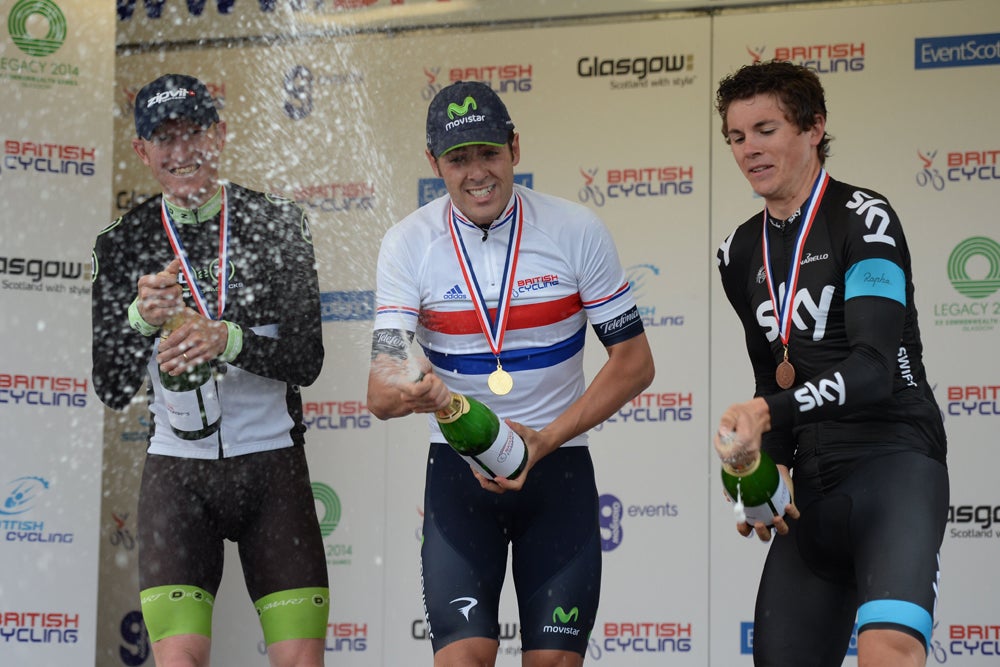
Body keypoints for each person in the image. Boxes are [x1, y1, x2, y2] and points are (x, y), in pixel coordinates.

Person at [367, 80, 654, 666]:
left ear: (514, 148)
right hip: (457, 477)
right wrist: (417, 392)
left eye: (489, 153)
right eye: (457, 158)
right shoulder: (407, 245)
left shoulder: (576, 231)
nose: (477, 174)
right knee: (462, 659)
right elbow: (379, 391)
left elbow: (635, 364)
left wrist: (544, 441)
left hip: (559, 468)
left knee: (552, 662)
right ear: (433, 163)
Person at [713, 59, 949, 667]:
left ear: (814, 127)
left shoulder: (866, 219)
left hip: (891, 462)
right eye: (737, 137)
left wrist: (766, 411)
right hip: (811, 492)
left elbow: (873, 366)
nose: (749, 150)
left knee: (888, 652)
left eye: (766, 129)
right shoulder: (739, 250)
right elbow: (774, 370)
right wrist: (772, 465)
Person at [91, 73, 329, 667]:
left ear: (219, 135)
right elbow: (112, 385)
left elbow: (308, 360)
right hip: (179, 476)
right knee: (181, 661)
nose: (181, 153)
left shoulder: (277, 222)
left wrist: (227, 338)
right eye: (162, 140)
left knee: (300, 661)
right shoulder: (123, 242)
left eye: (192, 133)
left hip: (273, 468)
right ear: (142, 151)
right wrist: (142, 320)